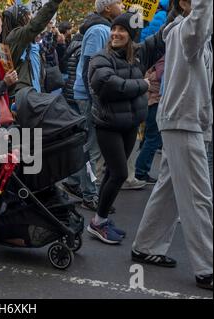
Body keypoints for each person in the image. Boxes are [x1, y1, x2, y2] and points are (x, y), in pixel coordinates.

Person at [132, 0, 213, 291]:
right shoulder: (185, 31)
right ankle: (208, 267)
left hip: (186, 119)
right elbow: (202, 15)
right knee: (198, 195)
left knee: (168, 189)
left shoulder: (191, 34)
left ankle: (145, 245)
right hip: (182, 120)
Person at [87, 12, 165, 244]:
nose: (116, 33)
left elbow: (162, 36)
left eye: (122, 30)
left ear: (132, 35)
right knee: (120, 173)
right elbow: (108, 85)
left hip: (130, 124)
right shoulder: (101, 58)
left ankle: (99, 219)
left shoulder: (139, 54)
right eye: (114, 29)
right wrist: (141, 84)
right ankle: (99, 221)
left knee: (113, 173)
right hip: (108, 125)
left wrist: (176, 7)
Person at [62, 0, 125, 211]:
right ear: (108, 8)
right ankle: (90, 194)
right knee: (91, 146)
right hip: (89, 96)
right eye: (118, 2)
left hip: (90, 95)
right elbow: (89, 64)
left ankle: (74, 182)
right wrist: (95, 96)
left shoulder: (104, 28)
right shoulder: (100, 30)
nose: (123, 5)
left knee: (88, 143)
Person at [1, 0, 63, 94]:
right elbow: (35, 25)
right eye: (28, 15)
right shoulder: (16, 36)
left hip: (33, 91)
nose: (31, 17)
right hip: (23, 95)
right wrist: (54, 2)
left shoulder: (23, 39)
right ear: (21, 18)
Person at [134, 56, 165, 184]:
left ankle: (140, 170)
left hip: (149, 102)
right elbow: (161, 83)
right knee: (153, 139)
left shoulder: (155, 61)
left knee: (149, 138)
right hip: (155, 103)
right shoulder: (164, 64)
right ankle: (141, 171)